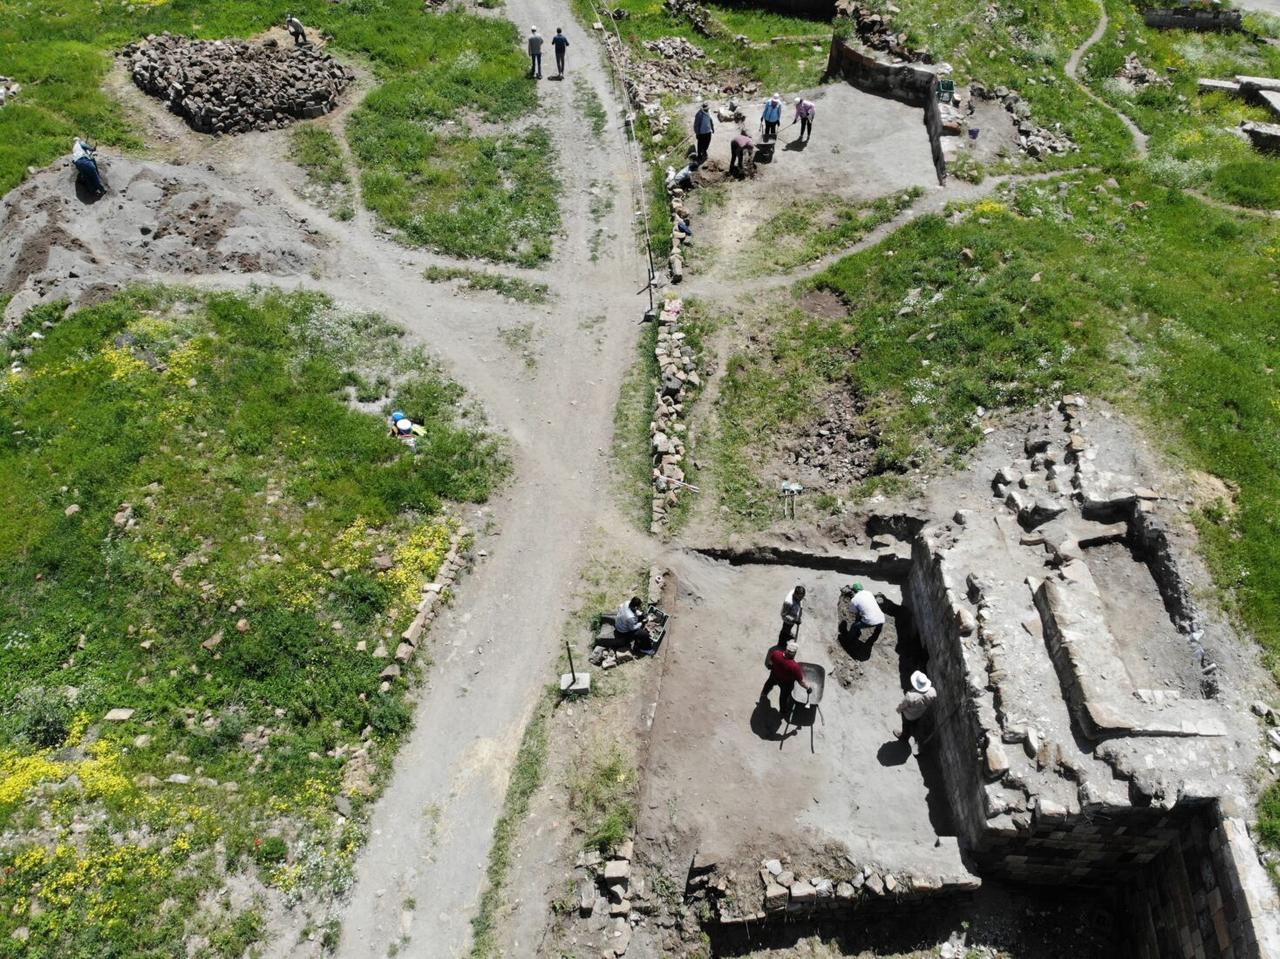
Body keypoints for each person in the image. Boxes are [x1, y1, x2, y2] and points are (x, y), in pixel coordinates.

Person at [760, 641, 810, 717]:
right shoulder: (795, 667)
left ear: (786, 649)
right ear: (794, 653)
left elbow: (770, 663)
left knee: (769, 683)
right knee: (783, 698)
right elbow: (801, 682)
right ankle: (783, 711)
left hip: (774, 675)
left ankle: (764, 693)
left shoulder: (776, 653)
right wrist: (808, 688)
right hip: (786, 684)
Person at [895, 671, 937, 743]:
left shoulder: (910, 696)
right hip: (919, 714)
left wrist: (898, 710)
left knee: (906, 726)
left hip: (908, 716)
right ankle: (910, 733)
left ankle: (904, 737)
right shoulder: (932, 692)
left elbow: (902, 706)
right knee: (913, 725)